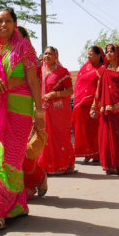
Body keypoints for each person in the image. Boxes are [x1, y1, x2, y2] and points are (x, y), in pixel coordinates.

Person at [0, 8, 44, 230]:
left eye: (8, 21)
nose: (3, 24)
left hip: (21, 110)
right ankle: (9, 208)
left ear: (15, 24)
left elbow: (33, 82)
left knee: (10, 160)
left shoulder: (24, 48)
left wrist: (39, 113)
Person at [16, 26, 48, 199]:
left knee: (22, 151)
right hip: (7, 108)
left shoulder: (31, 58)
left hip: (26, 107)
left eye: (19, 37)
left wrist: (38, 112)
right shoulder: (4, 55)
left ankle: (36, 179)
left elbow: (36, 85)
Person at [37, 46, 75, 174]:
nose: (47, 56)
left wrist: (54, 95)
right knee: (45, 136)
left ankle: (61, 165)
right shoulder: (39, 71)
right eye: (45, 53)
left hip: (59, 110)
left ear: (56, 56)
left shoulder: (62, 72)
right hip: (43, 109)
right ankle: (45, 165)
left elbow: (70, 91)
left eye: (50, 54)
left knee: (59, 136)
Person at [91, 44, 119, 175]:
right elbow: (97, 91)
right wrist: (94, 107)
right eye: (107, 52)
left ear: (117, 54)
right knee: (107, 138)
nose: (108, 53)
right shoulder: (103, 71)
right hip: (107, 110)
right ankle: (111, 166)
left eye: (111, 51)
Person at [72, 46, 105, 164]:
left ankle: (96, 154)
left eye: (91, 54)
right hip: (80, 106)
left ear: (99, 55)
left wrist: (94, 102)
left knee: (94, 131)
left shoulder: (102, 68)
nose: (88, 56)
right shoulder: (84, 67)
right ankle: (86, 153)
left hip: (94, 105)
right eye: (88, 54)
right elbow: (79, 85)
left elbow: (101, 87)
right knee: (82, 130)